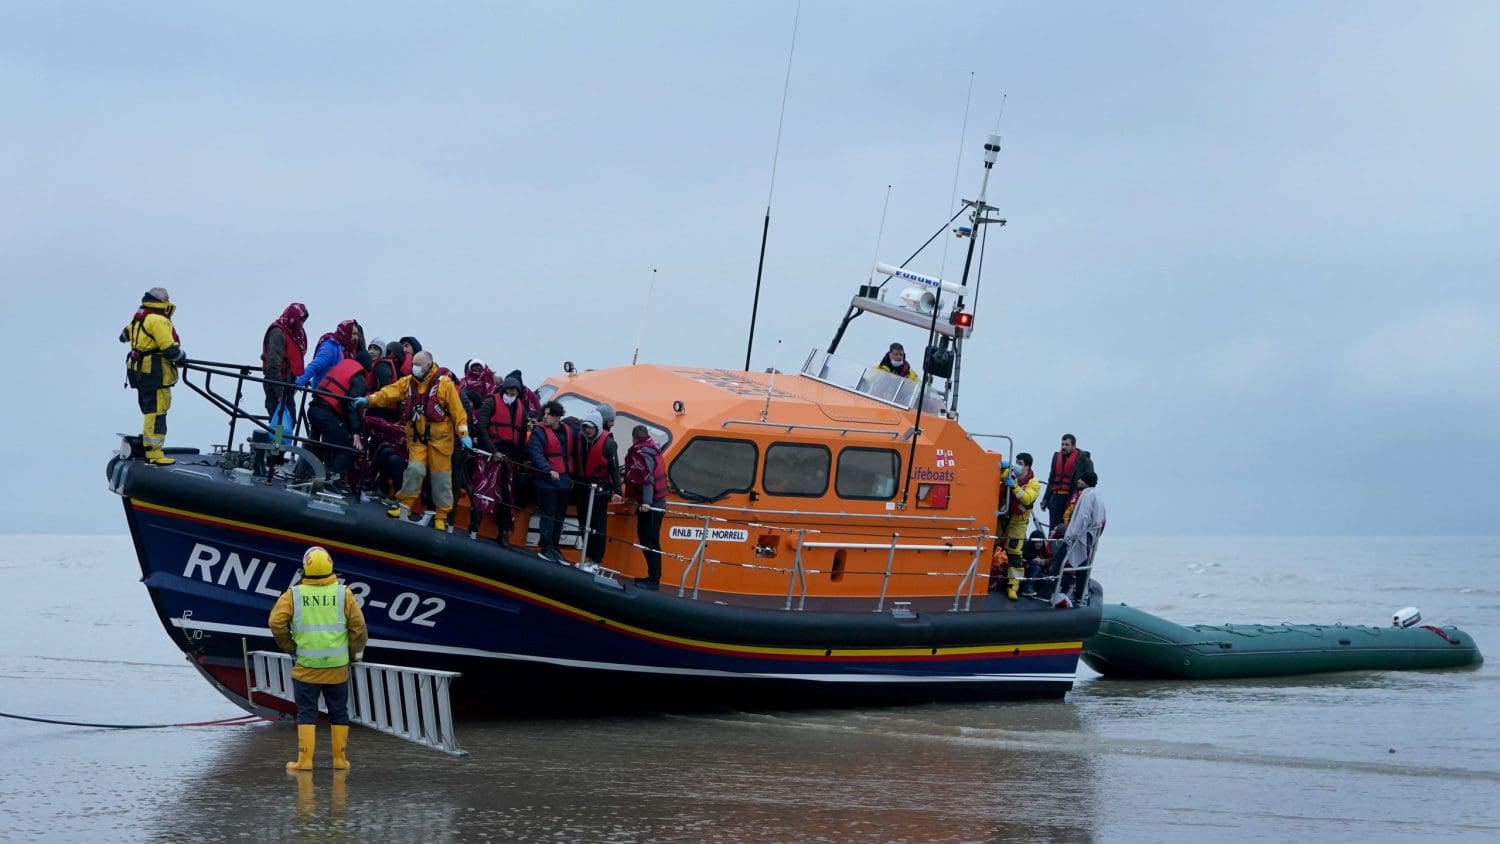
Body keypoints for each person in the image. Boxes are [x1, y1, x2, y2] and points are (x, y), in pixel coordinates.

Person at [268, 546, 368, 772]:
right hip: (337, 668)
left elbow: (275, 622)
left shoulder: (294, 594)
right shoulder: (344, 594)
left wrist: (290, 646)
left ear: (305, 567)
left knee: (306, 713)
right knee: (339, 712)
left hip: (306, 668)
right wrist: (353, 655)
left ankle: (304, 762)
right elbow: (359, 628)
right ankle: (340, 760)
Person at [357, 350, 471, 532]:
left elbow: (458, 412)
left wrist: (464, 434)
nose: (414, 368)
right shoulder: (408, 383)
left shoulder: (444, 384)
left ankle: (441, 516)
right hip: (417, 439)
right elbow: (389, 392)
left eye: (418, 365)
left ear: (428, 365)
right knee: (414, 470)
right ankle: (404, 507)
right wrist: (369, 400)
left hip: (440, 441)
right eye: (413, 364)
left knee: (441, 479)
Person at [120, 288, 187, 465]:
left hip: (139, 371)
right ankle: (154, 453)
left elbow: (124, 335)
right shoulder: (158, 320)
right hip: (155, 372)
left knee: (149, 408)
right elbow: (168, 347)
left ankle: (147, 444)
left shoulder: (140, 317)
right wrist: (182, 360)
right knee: (157, 411)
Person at [471, 376, 528, 544]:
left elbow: (522, 436)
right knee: (482, 490)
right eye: (509, 391)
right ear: (503, 390)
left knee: (506, 495)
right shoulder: (490, 403)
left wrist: (517, 459)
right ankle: (474, 525)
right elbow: (481, 427)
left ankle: (503, 532)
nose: (511, 394)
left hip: (508, 458)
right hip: (488, 454)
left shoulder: (521, 410)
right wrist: (493, 451)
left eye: (514, 392)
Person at [308, 351, 369, 494]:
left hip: (313, 409)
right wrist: (355, 431)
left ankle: (303, 472)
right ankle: (331, 479)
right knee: (347, 447)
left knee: (319, 444)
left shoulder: (342, 366)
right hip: (326, 414)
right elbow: (352, 404)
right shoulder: (359, 378)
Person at [573, 410, 623, 567]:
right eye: (585, 427)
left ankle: (596, 559)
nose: (587, 430)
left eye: (590, 427)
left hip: (600, 490)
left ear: (597, 427)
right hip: (583, 487)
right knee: (583, 524)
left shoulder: (608, 444)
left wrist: (617, 491)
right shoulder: (580, 439)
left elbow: (614, 469)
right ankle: (587, 556)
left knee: (597, 525)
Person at [528, 400, 575, 563]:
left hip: (563, 481)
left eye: (550, 414)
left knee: (559, 516)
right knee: (549, 514)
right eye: (545, 414)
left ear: (558, 417)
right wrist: (548, 470)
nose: (546, 417)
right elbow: (535, 453)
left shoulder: (568, 431)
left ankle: (555, 547)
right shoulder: (539, 432)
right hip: (546, 481)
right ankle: (546, 547)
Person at [623, 424, 668, 589]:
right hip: (655, 502)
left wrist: (647, 503)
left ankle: (654, 579)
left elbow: (648, 479)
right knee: (647, 538)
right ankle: (652, 577)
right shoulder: (653, 449)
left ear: (634, 438)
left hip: (653, 505)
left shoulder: (642, 453)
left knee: (650, 541)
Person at [1056, 471, 1106, 607]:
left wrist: (1071, 534)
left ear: (1087, 481)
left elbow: (1082, 518)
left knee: (1059, 561)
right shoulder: (1097, 496)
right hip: (1089, 536)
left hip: (1080, 536)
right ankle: (1078, 594)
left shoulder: (1087, 496)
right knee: (1082, 565)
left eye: (1081, 479)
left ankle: (1053, 589)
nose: (1078, 481)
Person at [998, 453, 1042, 600]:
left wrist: (1015, 487)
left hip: (1018, 522)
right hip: (1002, 516)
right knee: (990, 544)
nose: (1017, 465)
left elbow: (1027, 498)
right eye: (1016, 462)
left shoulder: (1034, 483)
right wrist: (1000, 468)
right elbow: (1001, 477)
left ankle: (1013, 587)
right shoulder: (1011, 474)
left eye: (1020, 463)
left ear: (1027, 466)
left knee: (1015, 554)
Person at [261, 303, 309, 438]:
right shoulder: (278, 333)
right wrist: (280, 392)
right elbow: (272, 365)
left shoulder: (293, 334)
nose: (301, 324)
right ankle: (273, 453)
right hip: (277, 384)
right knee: (280, 423)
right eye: (301, 320)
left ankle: (276, 452)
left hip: (287, 384)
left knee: (289, 421)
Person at [1041, 434, 1095, 529]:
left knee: (1068, 527)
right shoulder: (1056, 458)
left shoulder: (1084, 460)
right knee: (1053, 528)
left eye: (1066, 445)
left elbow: (1090, 479)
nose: (1063, 447)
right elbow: (1051, 480)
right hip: (1056, 498)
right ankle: (1053, 543)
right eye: (1062, 444)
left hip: (1072, 498)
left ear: (1073, 446)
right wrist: (1045, 499)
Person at [297, 319, 364, 394]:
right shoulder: (331, 346)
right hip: (323, 395)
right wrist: (298, 382)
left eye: (357, 334)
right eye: (353, 334)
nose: (356, 338)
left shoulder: (349, 351)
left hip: (337, 396)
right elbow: (315, 365)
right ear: (346, 332)